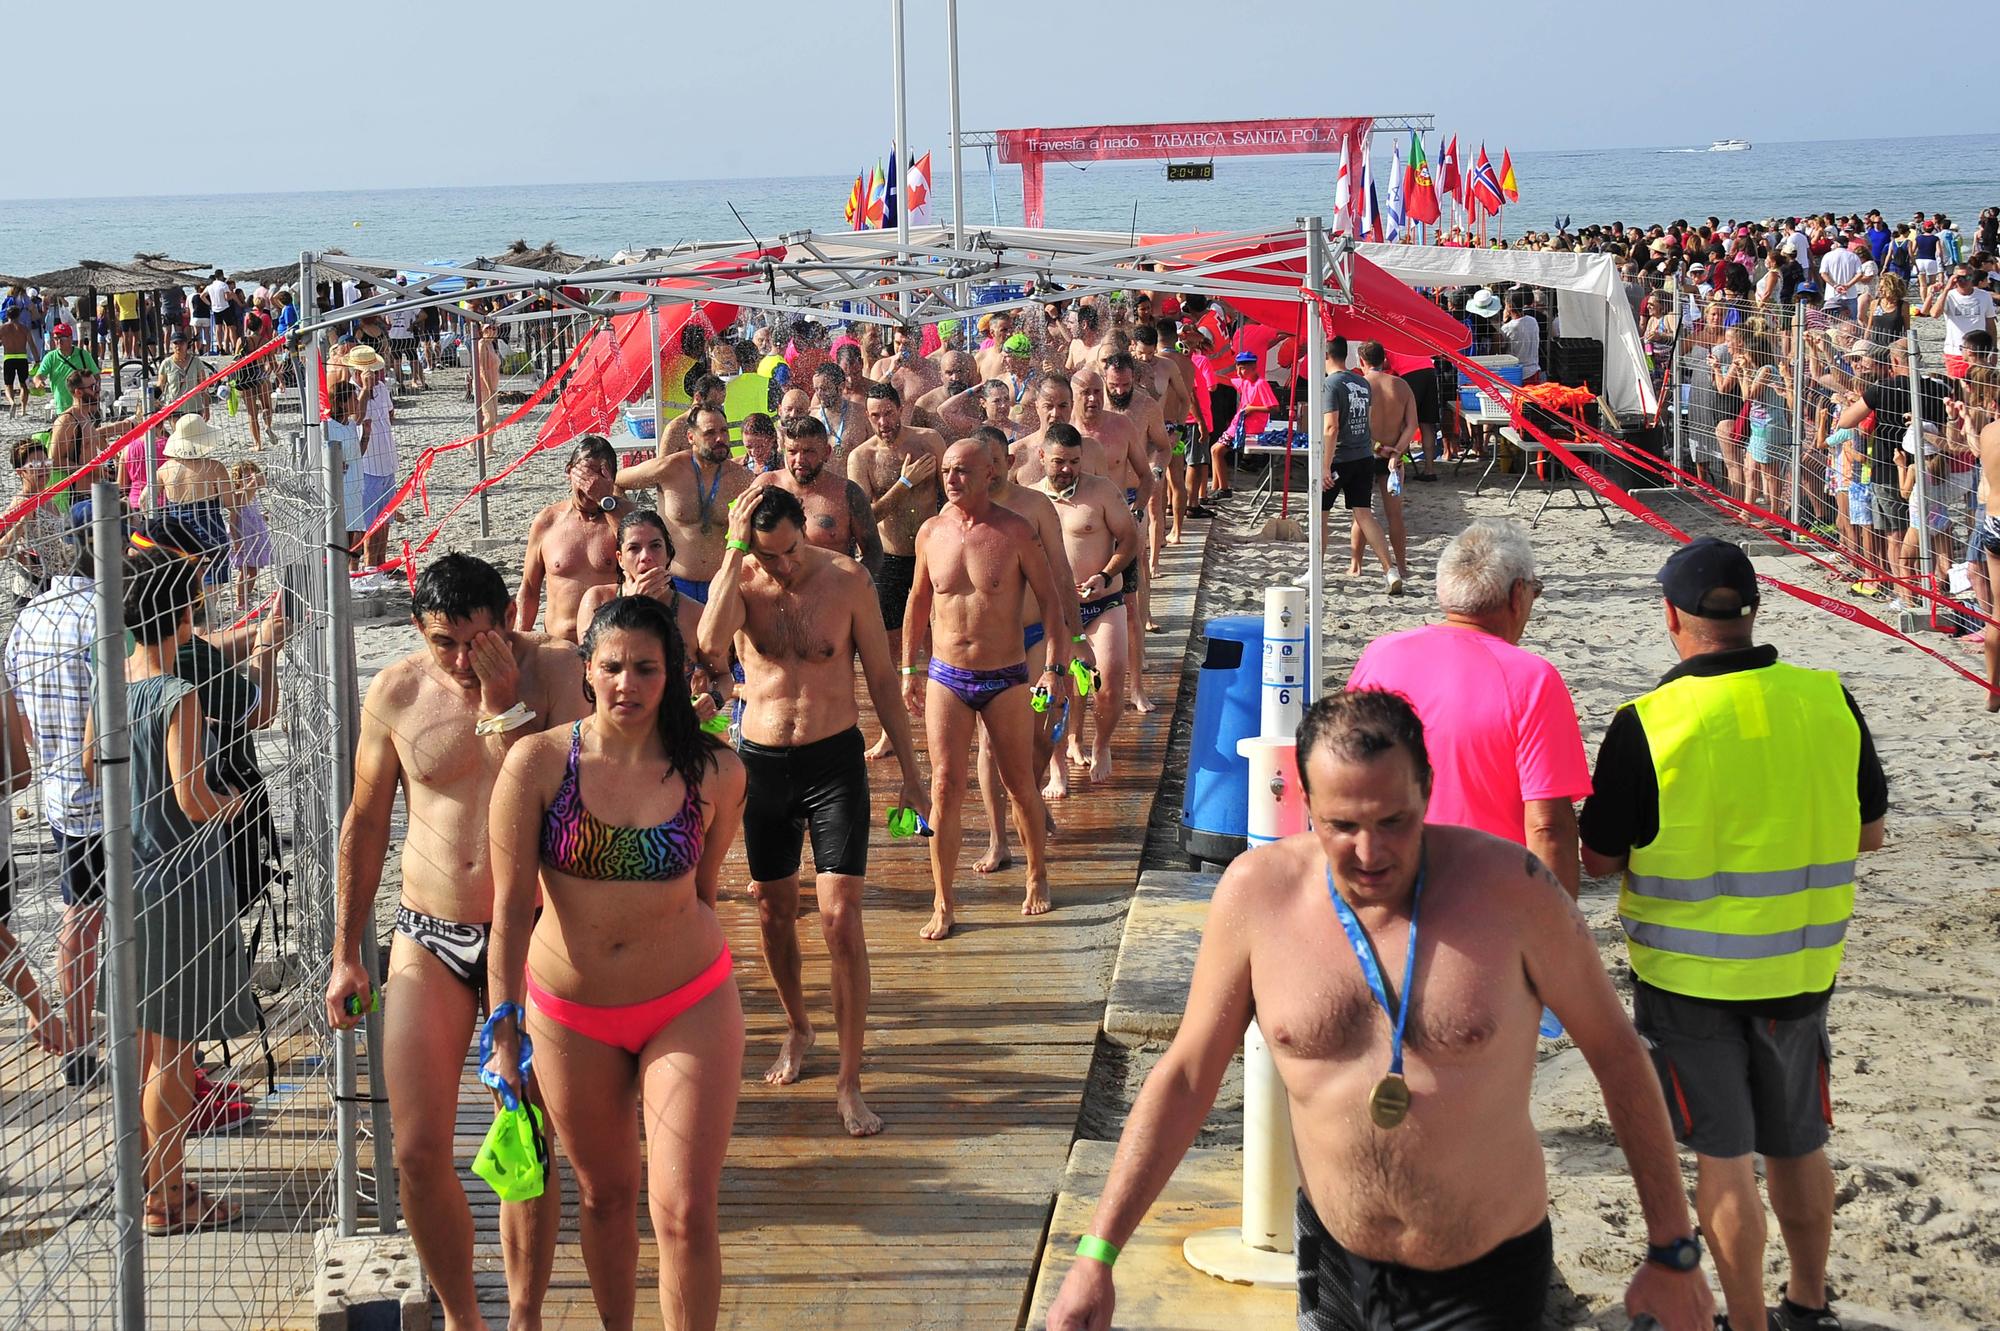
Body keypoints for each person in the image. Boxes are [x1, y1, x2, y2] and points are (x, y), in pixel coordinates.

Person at [1046, 689, 1714, 1331]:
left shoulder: (1516, 893)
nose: (1369, 853)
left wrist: (1673, 1248)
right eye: (1343, 826)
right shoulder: (1257, 898)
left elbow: (1619, 1055)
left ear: (1426, 786)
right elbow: (1187, 1074)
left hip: (1484, 1274)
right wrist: (1097, 1255)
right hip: (1333, 1261)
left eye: (1393, 821)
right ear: (1307, 804)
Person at [1579, 537, 1888, 1331]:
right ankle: (1808, 1305)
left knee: (1724, 1156)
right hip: (1801, 967)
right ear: (1752, 613)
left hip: (1690, 982)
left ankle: (1747, 1321)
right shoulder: (1827, 698)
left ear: (1673, 618)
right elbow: (1870, 830)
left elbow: (1599, 857)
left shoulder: (1647, 722)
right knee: (1798, 1144)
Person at [326, 554, 583, 1331]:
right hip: (428, 933)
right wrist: (344, 948)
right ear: (419, 630)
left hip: (533, 934)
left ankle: (526, 1316)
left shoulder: (559, 674)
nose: (467, 660)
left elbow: (557, 804)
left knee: (525, 1140)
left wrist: (505, 707)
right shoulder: (399, 691)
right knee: (413, 1149)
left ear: (508, 615)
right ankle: (467, 1319)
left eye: (483, 638)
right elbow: (366, 822)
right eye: (447, 643)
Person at [486, 596, 744, 1331]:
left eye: (645, 667)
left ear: (671, 675)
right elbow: (508, 912)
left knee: (686, 1208)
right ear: (587, 672)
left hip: (687, 1000)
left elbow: (702, 890)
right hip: (571, 1016)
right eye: (612, 666)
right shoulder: (536, 764)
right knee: (604, 1195)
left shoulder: (715, 772)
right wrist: (505, 1031)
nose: (627, 681)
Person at [697, 485, 925, 1136]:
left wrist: (912, 775)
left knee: (840, 915)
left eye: (790, 550)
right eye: (768, 556)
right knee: (772, 910)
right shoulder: (740, 578)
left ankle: (849, 1080)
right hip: (763, 764)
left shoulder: (846, 579)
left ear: (807, 532)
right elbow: (711, 650)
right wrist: (735, 553)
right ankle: (799, 1025)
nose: (782, 567)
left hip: (833, 762)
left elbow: (882, 680)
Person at [81, 542, 260, 1235]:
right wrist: (231, 803)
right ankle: (169, 1194)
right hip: (180, 882)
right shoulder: (179, 695)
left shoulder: (112, 683)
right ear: (184, 616)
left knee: (146, 1047)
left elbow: (98, 764)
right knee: (175, 1052)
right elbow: (191, 797)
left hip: (128, 873)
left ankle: (154, 1186)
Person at [1347, 519, 1590, 895]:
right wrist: (1559, 935)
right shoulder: (1532, 679)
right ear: (1517, 595)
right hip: (1485, 899)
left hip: (1388, 886)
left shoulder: (1381, 654)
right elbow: (1547, 827)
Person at [902, 439, 1067, 939]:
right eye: (946, 471)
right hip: (947, 675)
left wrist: (1056, 669)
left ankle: (1037, 875)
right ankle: (943, 901)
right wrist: (909, 669)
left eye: (962, 471)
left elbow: (1051, 603)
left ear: (990, 473)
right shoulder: (931, 532)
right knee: (945, 784)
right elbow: (917, 602)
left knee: (1019, 782)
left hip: (1006, 675)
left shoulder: (1015, 531)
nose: (951, 479)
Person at [5, 501, 110, 1085]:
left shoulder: (31, 616)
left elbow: (18, 709)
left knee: (83, 913)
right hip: (112, 796)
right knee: (93, 917)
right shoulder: (109, 614)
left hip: (60, 790)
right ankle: (87, 1042)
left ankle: (77, 1039)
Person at [1030, 425, 1138, 790]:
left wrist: (1105, 576)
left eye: (1074, 462)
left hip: (1103, 601)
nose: (1067, 469)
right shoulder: (1031, 500)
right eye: (1059, 461)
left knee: (1107, 684)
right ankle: (1057, 768)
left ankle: (1101, 742)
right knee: (1055, 691)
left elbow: (1129, 539)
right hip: (1056, 612)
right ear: (1042, 457)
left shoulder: (1102, 490)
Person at [847, 382, 947, 756]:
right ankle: (892, 734)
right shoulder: (862, 457)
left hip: (931, 556)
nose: (883, 422)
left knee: (939, 645)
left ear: (900, 407)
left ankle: (947, 722)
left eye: (888, 412)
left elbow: (951, 496)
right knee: (891, 659)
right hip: (888, 559)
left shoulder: (929, 440)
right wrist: (904, 484)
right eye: (874, 415)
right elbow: (863, 518)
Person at [616, 406, 752, 609]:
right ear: (691, 437)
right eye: (710, 433)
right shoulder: (668, 470)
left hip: (720, 583)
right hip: (673, 583)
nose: (720, 438)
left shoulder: (742, 478)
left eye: (724, 431)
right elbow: (618, 482)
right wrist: (627, 533)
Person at [516, 436, 630, 640]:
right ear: (569, 471)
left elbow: (637, 556)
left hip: (610, 642)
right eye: (585, 474)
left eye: (600, 475)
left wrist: (605, 500)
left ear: (612, 479)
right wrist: (519, 637)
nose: (591, 485)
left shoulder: (625, 516)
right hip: (560, 645)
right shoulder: (547, 521)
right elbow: (530, 588)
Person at [1316, 336, 1401, 594]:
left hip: (1340, 457)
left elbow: (1331, 427)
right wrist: (1377, 447)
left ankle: (1315, 571)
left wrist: (1324, 465)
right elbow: (1363, 424)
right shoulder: (1361, 383)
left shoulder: (1331, 384)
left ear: (1326, 355)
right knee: (1364, 514)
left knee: (1320, 515)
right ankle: (1390, 570)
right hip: (1363, 457)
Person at [761, 415, 882, 573]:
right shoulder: (765, 486)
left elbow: (874, 554)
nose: (799, 459)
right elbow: (744, 542)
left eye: (808, 451)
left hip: (832, 589)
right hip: (778, 592)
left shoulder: (847, 493)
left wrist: (852, 585)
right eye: (792, 451)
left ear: (827, 452)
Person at [1355, 341, 1415, 582]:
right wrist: (1397, 451)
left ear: (1361, 361)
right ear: (1385, 359)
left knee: (1361, 513)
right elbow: (1412, 425)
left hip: (1364, 454)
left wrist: (1379, 448)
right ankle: (1401, 566)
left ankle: (1356, 564)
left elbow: (1355, 427)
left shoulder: (1360, 386)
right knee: (1395, 515)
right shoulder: (1401, 386)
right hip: (1394, 458)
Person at [31, 323, 98, 417]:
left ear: (70, 338)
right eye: (56, 338)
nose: (58, 341)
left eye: (62, 338)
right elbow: (39, 375)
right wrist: (38, 381)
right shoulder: (50, 357)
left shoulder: (83, 354)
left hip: (84, 406)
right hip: (63, 407)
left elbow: (96, 376)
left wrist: (95, 397)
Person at [155, 330, 210, 422]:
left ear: (186, 344)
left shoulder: (196, 362)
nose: (178, 346)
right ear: (171, 345)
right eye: (175, 343)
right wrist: (157, 407)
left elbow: (203, 386)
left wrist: (207, 408)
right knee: (178, 435)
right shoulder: (166, 363)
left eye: (181, 343)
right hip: (174, 408)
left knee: (194, 435)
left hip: (194, 407)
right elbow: (160, 386)